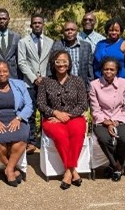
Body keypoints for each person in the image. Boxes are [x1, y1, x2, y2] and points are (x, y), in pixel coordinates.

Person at [37, 50, 88, 190]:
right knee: (61, 136)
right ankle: (72, 171)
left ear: (69, 63)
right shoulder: (46, 81)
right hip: (52, 119)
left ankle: (68, 171)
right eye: (58, 61)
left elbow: (83, 104)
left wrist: (67, 115)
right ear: (53, 64)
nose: (61, 64)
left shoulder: (77, 80)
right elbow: (40, 104)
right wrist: (56, 113)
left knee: (77, 133)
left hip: (74, 117)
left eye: (65, 61)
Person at [89, 57, 125, 182]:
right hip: (102, 120)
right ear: (102, 70)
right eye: (106, 69)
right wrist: (106, 122)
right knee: (104, 139)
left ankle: (112, 165)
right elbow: (95, 108)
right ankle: (117, 167)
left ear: (117, 71)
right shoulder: (94, 85)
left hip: (121, 118)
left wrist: (117, 122)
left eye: (112, 69)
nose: (108, 72)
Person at [18, 14, 54, 154]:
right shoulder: (23, 42)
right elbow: (22, 62)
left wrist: (45, 79)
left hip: (46, 83)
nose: (37, 25)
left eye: (40, 22)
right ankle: (31, 142)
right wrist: (34, 78)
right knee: (30, 113)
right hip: (29, 83)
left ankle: (46, 139)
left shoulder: (51, 42)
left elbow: (52, 62)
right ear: (31, 25)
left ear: (43, 24)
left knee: (46, 112)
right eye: (35, 23)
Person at [50, 21, 94, 87]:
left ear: (77, 31)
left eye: (72, 30)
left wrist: (89, 86)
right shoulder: (57, 45)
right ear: (63, 32)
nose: (69, 32)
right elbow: (51, 66)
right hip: (61, 85)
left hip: (81, 86)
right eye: (67, 30)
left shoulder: (86, 46)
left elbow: (89, 68)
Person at [93, 17, 125, 84]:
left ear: (121, 31)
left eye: (116, 30)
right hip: (99, 82)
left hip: (118, 83)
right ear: (107, 31)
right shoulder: (100, 44)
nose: (113, 32)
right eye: (111, 30)